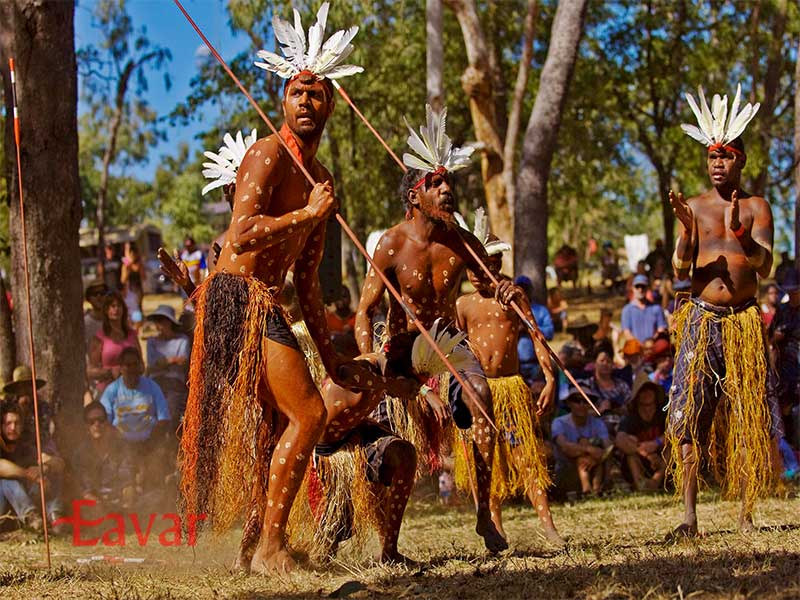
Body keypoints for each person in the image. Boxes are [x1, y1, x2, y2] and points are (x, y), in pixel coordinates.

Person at [180, 6, 369, 574]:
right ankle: (268, 547)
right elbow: (242, 231)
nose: (307, 102)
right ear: (284, 101)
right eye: (298, 92)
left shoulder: (320, 179)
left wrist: (332, 355)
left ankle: (255, 547)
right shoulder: (267, 154)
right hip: (235, 296)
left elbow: (307, 281)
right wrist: (305, 214)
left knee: (275, 425)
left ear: (332, 104)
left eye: (318, 94)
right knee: (308, 415)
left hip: (267, 300)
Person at [355, 106, 520, 554]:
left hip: (446, 340)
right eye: (437, 184)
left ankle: (484, 513)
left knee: (482, 399)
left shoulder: (459, 239)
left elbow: (488, 281)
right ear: (415, 195)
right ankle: (388, 544)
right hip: (404, 345)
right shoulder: (392, 244)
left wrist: (502, 288)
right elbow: (364, 311)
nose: (447, 190)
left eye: (449, 183)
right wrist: (371, 360)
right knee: (388, 444)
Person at [666, 85, 779, 536]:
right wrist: (688, 233)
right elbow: (678, 267)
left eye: (726, 156)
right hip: (700, 319)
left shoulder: (756, 207)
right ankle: (689, 518)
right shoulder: (693, 206)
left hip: (744, 323)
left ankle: (746, 514)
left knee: (747, 414)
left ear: (741, 160)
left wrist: (742, 235)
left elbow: (766, 265)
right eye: (712, 156)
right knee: (688, 414)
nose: (718, 164)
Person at [455, 239, 564, 546]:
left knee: (527, 459)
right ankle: (495, 530)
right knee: (487, 465)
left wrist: (550, 378)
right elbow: (455, 349)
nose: (476, 274)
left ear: (496, 265)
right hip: (478, 393)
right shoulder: (463, 304)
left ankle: (548, 526)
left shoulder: (513, 298)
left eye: (482, 266)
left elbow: (537, 334)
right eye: (470, 267)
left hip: (511, 389)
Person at [100, 348, 171, 490]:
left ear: (140, 366)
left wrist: (149, 443)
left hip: (149, 445)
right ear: (120, 368)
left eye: (134, 364)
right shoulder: (112, 390)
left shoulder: (152, 387)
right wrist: (122, 443)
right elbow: (104, 422)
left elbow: (164, 419)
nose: (131, 368)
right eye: (127, 365)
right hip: (121, 447)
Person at [0, 402, 64, 531]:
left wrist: (44, 469)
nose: (12, 428)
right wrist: (28, 474)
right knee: (7, 482)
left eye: (17, 423)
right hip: (5, 507)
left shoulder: (26, 445)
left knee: (52, 474)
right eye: (8, 423)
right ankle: (31, 517)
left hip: (24, 500)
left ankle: (55, 516)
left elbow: (59, 463)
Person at [69, 402, 136, 515]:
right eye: (92, 421)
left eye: (101, 420)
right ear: (86, 426)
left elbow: (127, 481)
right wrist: (99, 505)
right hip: (94, 504)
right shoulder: (80, 455)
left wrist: (127, 503)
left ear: (106, 422)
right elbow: (85, 490)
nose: (97, 424)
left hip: (119, 500)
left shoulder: (120, 447)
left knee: (154, 497)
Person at [551, 387, 612, 498]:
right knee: (582, 459)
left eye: (586, 401)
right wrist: (589, 450)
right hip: (565, 472)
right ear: (569, 403)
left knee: (600, 459)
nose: (581, 404)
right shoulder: (559, 422)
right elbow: (564, 447)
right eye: (576, 400)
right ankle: (588, 490)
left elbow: (608, 448)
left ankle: (594, 490)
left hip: (595, 467)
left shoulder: (598, 423)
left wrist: (595, 458)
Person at [615, 375, 666, 492]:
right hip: (641, 462)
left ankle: (655, 482)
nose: (646, 393)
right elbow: (619, 440)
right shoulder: (630, 418)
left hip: (663, 462)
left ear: (655, 393)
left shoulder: (663, 413)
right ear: (637, 397)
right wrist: (645, 453)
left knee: (672, 447)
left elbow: (676, 432)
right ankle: (641, 486)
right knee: (630, 451)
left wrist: (655, 443)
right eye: (642, 390)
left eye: (649, 389)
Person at [145, 305, 190, 429]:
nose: (159, 324)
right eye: (157, 320)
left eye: (162, 320)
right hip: (156, 383)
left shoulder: (182, 340)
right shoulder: (151, 341)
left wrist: (162, 363)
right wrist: (171, 361)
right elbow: (151, 365)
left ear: (169, 322)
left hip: (175, 384)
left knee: (171, 413)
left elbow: (183, 362)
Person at [87, 291, 141, 395]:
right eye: (112, 306)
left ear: (124, 309)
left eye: (119, 306)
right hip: (107, 390)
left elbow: (142, 365)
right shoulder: (99, 338)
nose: (116, 309)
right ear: (106, 311)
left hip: (133, 389)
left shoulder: (132, 335)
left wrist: (129, 370)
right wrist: (110, 372)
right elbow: (90, 371)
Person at [769, 270, 800, 446]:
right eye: (790, 292)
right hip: (784, 366)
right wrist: (777, 337)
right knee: (783, 409)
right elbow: (770, 337)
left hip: (798, 362)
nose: (792, 295)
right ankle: (789, 453)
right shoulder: (782, 311)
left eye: (795, 291)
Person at [580, 345, 631, 436]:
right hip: (595, 429)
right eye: (602, 361)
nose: (605, 364)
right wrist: (600, 410)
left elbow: (632, 407)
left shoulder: (621, 385)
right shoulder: (586, 386)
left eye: (608, 361)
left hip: (622, 428)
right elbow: (579, 412)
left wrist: (621, 409)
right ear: (594, 363)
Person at [621, 274, 667, 343]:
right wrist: (639, 346)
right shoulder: (627, 310)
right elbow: (626, 332)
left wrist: (650, 343)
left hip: (653, 347)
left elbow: (661, 329)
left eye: (643, 286)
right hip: (635, 349)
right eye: (637, 286)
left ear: (647, 288)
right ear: (633, 288)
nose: (640, 289)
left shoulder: (656, 308)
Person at [121, 242, 145, 326]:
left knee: (138, 310)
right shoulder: (125, 266)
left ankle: (138, 329)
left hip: (138, 290)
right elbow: (123, 280)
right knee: (129, 311)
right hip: (129, 291)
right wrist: (128, 268)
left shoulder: (139, 264)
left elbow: (143, 277)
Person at [83, 279, 109, 352]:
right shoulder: (83, 323)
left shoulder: (115, 319)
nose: (99, 296)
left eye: (102, 293)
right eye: (94, 293)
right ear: (88, 298)